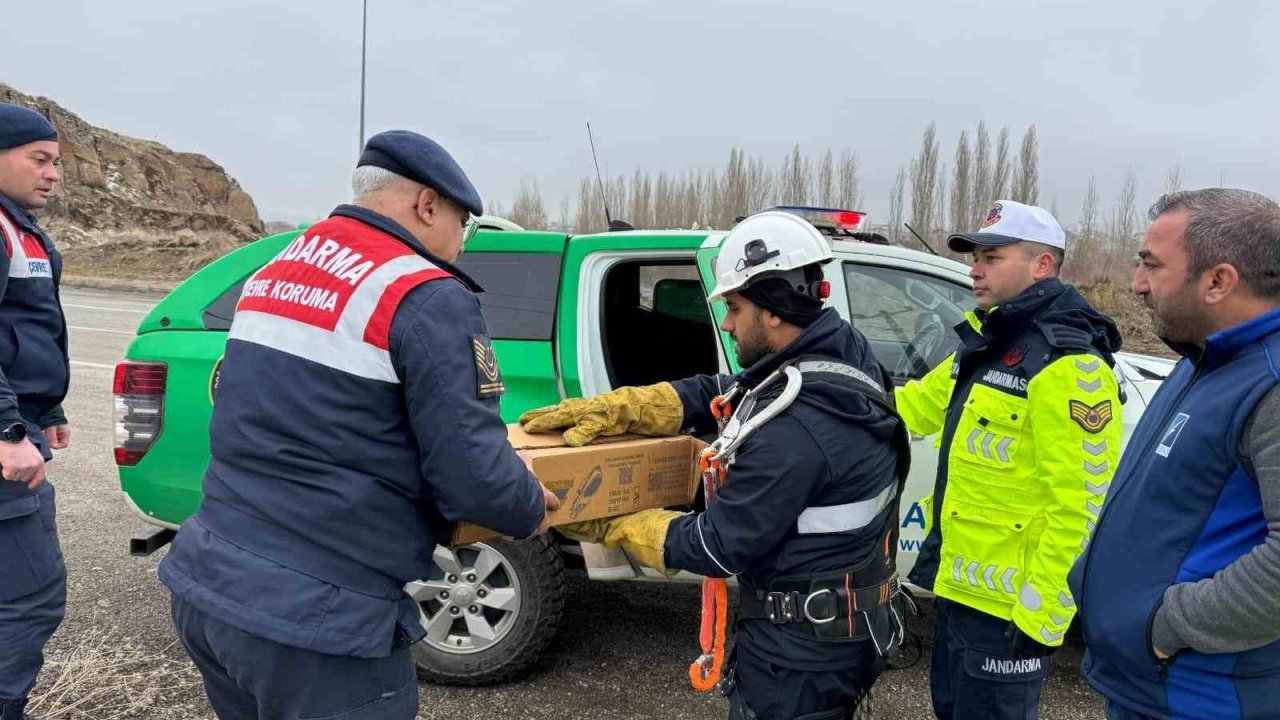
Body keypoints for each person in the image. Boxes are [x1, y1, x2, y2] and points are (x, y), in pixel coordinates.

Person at [158, 130, 557, 720]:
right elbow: (472, 474)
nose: (461, 247)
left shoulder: (278, 268)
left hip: (212, 584)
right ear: (427, 205)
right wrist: (532, 506)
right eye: (462, 227)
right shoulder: (422, 293)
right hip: (319, 621)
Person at [521, 211, 911, 720]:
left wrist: (614, 523)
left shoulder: (797, 433)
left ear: (772, 308)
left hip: (797, 661)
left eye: (734, 305)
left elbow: (717, 546)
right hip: (838, 631)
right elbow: (732, 390)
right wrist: (628, 406)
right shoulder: (841, 353)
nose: (726, 322)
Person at [894, 200, 1123, 720]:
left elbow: (1084, 506)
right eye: (977, 256)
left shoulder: (1070, 365)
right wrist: (823, 387)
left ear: (1042, 265)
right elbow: (913, 410)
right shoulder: (990, 342)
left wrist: (1040, 619)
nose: (975, 268)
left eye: (992, 257)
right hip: (958, 595)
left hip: (1009, 615)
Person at [1069, 189, 1280, 720]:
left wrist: (1166, 628)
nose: (1137, 284)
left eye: (1150, 265)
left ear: (1218, 281)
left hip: (1201, 696)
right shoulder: (1206, 358)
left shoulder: (1270, 382)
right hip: (1153, 687)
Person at [0, 103, 72, 720]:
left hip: (18, 422)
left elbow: (25, 328)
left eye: (57, 162)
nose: (53, 174)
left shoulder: (19, 226)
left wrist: (45, 405)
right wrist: (8, 428)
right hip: (2, 442)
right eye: (39, 159)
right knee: (30, 597)